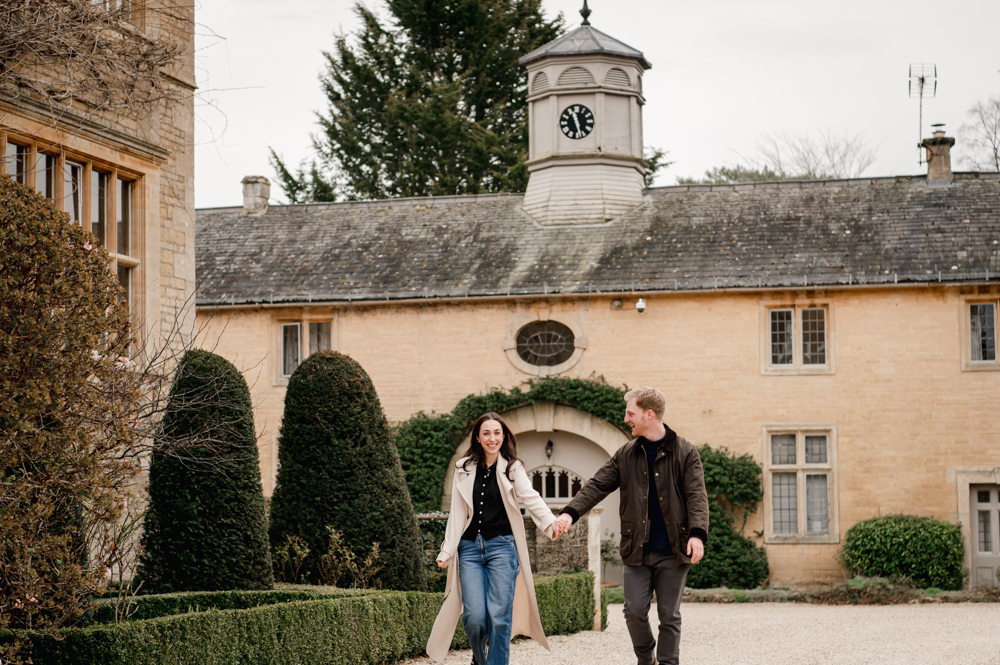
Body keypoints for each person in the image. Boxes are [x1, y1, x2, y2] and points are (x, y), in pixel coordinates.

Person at [552, 387, 709, 665]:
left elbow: (697, 496)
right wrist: (569, 514)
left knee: (669, 615)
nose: (626, 418)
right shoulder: (626, 454)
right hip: (637, 549)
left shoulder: (685, 452)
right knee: (633, 611)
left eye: (630, 413)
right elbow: (597, 485)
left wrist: (697, 535)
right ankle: (645, 658)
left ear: (649, 414)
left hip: (674, 549)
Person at [426, 412, 561, 665]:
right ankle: (480, 658)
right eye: (486, 433)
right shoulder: (463, 468)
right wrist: (447, 550)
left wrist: (550, 522)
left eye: (497, 433)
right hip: (469, 551)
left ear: (503, 436)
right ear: (478, 437)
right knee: (474, 617)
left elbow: (530, 497)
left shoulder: (512, 467)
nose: (492, 438)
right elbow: (456, 512)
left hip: (502, 548)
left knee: (500, 616)